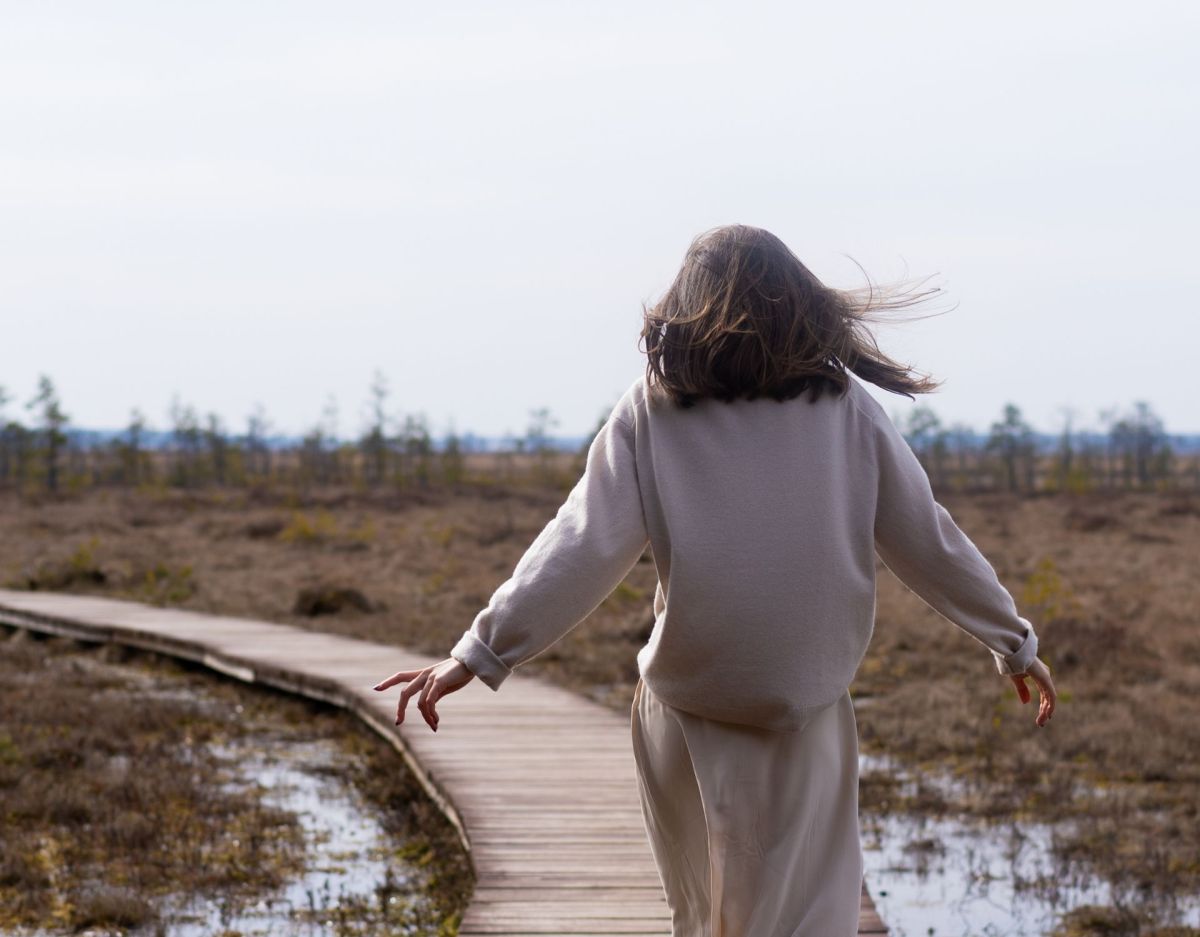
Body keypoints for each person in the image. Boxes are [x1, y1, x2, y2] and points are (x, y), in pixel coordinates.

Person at [373, 223, 1057, 936]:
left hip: (684, 714)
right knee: (810, 919)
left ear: (685, 305)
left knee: (704, 918)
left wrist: (480, 652)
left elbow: (580, 547)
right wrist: (1012, 640)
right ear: (798, 303)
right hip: (804, 714)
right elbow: (931, 539)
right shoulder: (845, 410)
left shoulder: (655, 407)